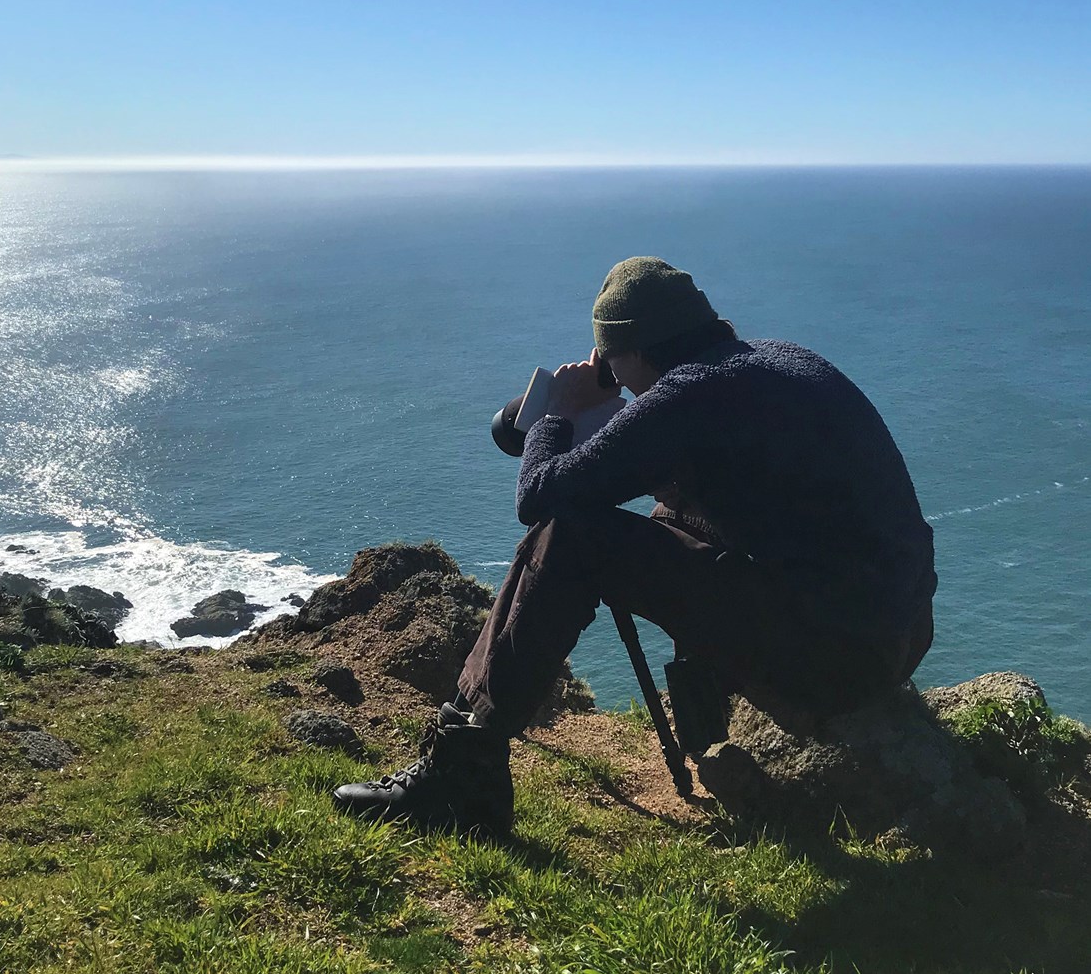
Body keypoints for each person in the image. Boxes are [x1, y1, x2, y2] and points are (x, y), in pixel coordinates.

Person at [332, 257, 937, 832]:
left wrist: (558, 417)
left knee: (574, 535)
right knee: (669, 512)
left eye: (611, 360)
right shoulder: (774, 362)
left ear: (635, 351)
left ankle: (459, 771)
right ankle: (705, 715)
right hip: (893, 633)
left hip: (839, 659)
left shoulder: (690, 397)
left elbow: (538, 498)